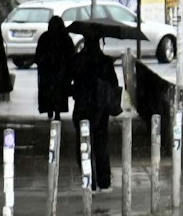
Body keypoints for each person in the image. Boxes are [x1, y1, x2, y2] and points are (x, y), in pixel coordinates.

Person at [68, 34, 120, 192]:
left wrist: (77, 90)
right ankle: (104, 182)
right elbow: (114, 84)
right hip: (100, 107)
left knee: (83, 144)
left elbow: (68, 81)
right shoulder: (105, 61)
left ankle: (88, 179)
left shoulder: (77, 60)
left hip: (82, 107)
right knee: (101, 143)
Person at [33, 15, 74, 121]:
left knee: (50, 92)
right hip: (59, 71)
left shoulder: (45, 37)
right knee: (58, 92)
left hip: (50, 71)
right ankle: (56, 110)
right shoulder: (65, 38)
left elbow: (38, 55)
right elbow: (71, 55)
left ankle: (51, 109)